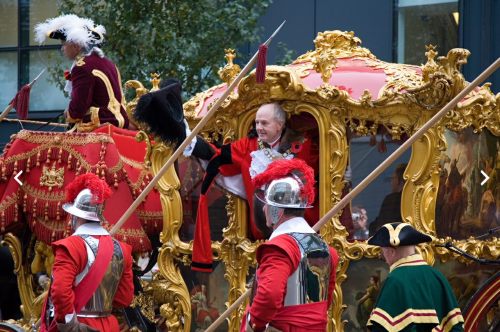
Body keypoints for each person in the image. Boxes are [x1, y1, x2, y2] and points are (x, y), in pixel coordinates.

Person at [241, 158, 339, 332]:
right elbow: (325, 301)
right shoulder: (326, 248)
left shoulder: (280, 248)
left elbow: (269, 296)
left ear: (275, 210)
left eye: (267, 206)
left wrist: (253, 324)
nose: (264, 210)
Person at [41, 173, 134, 332]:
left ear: (74, 216)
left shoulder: (70, 246)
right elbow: (124, 298)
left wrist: (70, 326)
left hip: (79, 326)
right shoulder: (123, 249)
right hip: (109, 325)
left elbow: (60, 292)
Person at [34, 14, 130, 131]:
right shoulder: (109, 63)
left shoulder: (82, 67)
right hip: (118, 124)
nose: (62, 48)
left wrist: (69, 113)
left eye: (64, 44)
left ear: (76, 46)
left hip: (97, 128)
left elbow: (77, 111)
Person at [366, 222, 464, 331]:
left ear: (391, 252)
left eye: (383, 251)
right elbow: (456, 326)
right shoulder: (438, 276)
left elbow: (381, 328)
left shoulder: (395, 280)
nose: (382, 256)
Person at [369, 163, 407, 236]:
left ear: (401, 181)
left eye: (393, 178)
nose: (391, 182)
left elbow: (382, 225)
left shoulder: (392, 200)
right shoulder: (415, 200)